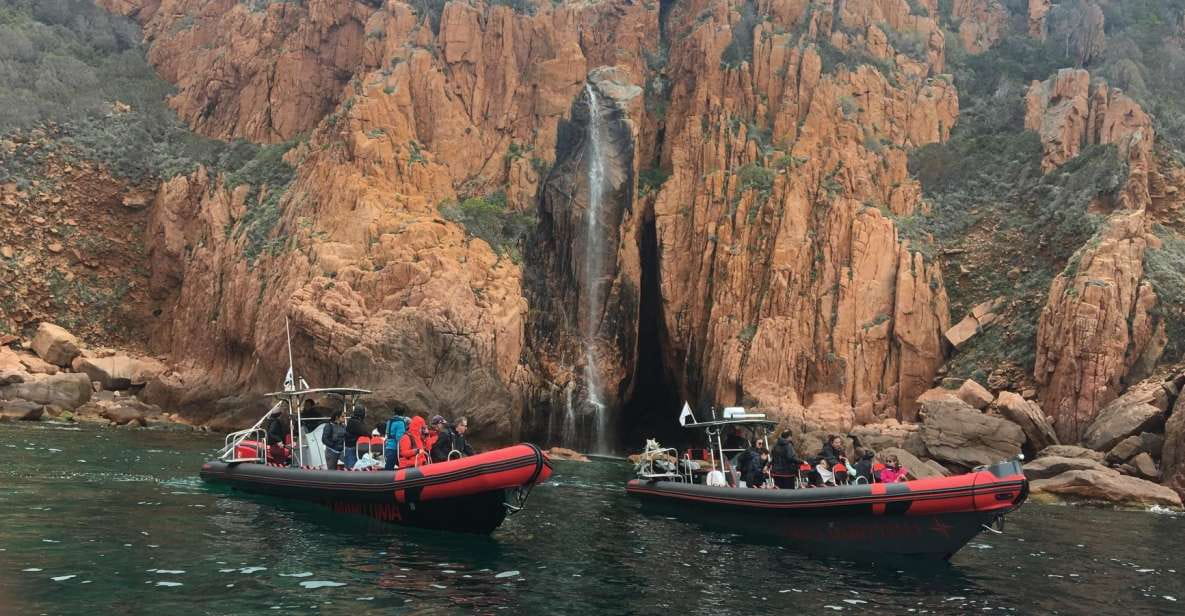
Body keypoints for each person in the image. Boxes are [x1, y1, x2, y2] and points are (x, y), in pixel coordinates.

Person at [384, 404, 411, 471]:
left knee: (389, 467)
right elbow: (399, 437)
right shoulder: (400, 422)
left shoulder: (389, 421)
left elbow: (387, 433)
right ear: (403, 413)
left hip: (388, 447)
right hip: (395, 448)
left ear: (394, 412)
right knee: (390, 468)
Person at [343, 404, 370, 470]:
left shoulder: (355, 421)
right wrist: (371, 437)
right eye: (365, 412)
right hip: (351, 447)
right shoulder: (355, 422)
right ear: (361, 412)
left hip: (354, 447)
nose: (366, 414)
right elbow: (364, 433)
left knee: (354, 467)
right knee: (352, 468)